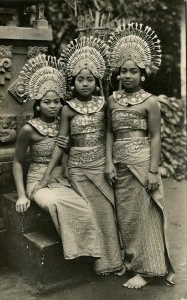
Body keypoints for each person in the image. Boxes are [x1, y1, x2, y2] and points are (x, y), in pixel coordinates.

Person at [36, 36, 123, 275]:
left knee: (108, 211)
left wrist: (109, 162)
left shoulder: (104, 104)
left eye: (89, 79)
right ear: (73, 82)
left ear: (96, 82)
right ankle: (99, 263)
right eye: (80, 79)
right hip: (78, 169)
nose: (85, 83)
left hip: (100, 164)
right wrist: (46, 176)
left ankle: (116, 260)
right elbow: (61, 144)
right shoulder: (66, 108)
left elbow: (109, 133)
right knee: (92, 214)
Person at [106, 22, 175, 289]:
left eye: (133, 71)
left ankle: (148, 269)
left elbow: (156, 136)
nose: (127, 76)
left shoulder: (151, 102)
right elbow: (110, 133)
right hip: (120, 165)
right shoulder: (112, 101)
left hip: (143, 162)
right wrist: (109, 163)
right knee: (127, 215)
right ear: (118, 74)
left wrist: (153, 170)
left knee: (147, 215)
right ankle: (133, 261)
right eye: (123, 71)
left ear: (142, 74)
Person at [13, 54, 102, 261]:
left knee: (85, 206)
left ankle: (88, 254)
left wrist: (70, 145)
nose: (52, 106)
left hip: (63, 179)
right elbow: (17, 162)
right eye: (46, 102)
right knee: (54, 203)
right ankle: (74, 252)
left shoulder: (65, 122)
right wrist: (21, 195)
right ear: (37, 104)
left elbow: (69, 151)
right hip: (38, 181)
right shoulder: (29, 129)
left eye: (56, 102)